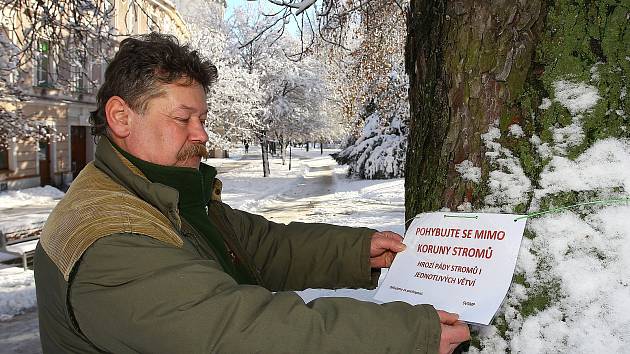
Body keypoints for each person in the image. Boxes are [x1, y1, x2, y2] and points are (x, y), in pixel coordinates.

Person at [34, 33, 469, 353]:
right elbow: (240, 333)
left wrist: (358, 251)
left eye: (201, 117)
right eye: (183, 118)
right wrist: (409, 333)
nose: (201, 134)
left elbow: (259, 247)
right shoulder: (111, 237)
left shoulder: (160, 192)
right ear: (121, 117)